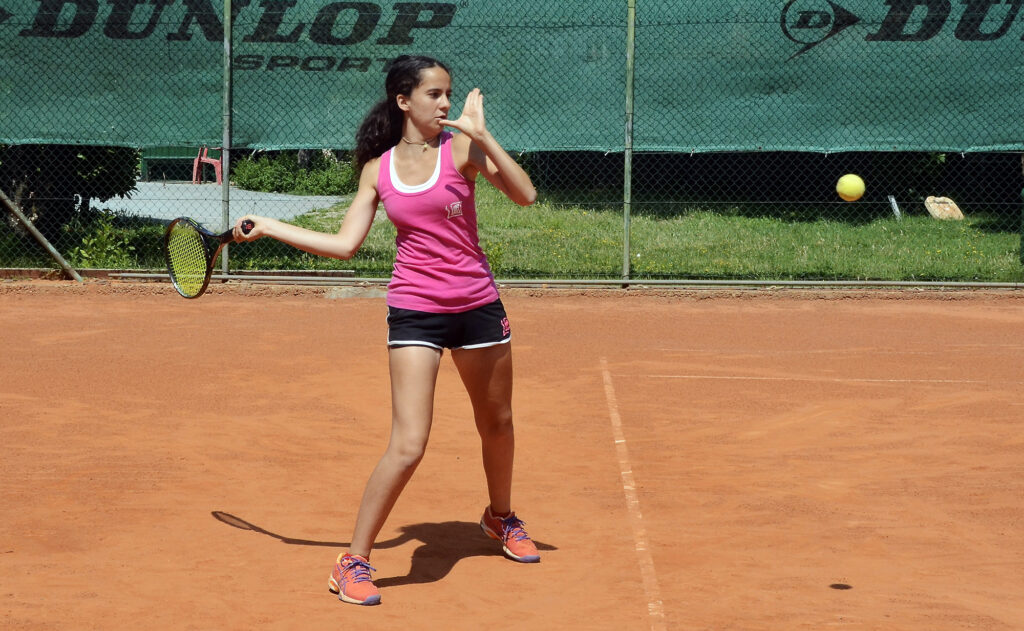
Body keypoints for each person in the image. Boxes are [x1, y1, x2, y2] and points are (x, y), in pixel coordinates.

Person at [233, 55, 540, 607]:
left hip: (476, 305)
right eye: (435, 95)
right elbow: (346, 244)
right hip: (415, 309)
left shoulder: (464, 149)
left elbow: (525, 195)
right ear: (404, 101)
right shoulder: (378, 169)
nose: (446, 104)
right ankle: (353, 561)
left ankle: (500, 517)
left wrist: (485, 136)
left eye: (449, 95)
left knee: (498, 423)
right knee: (408, 443)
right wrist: (272, 225)